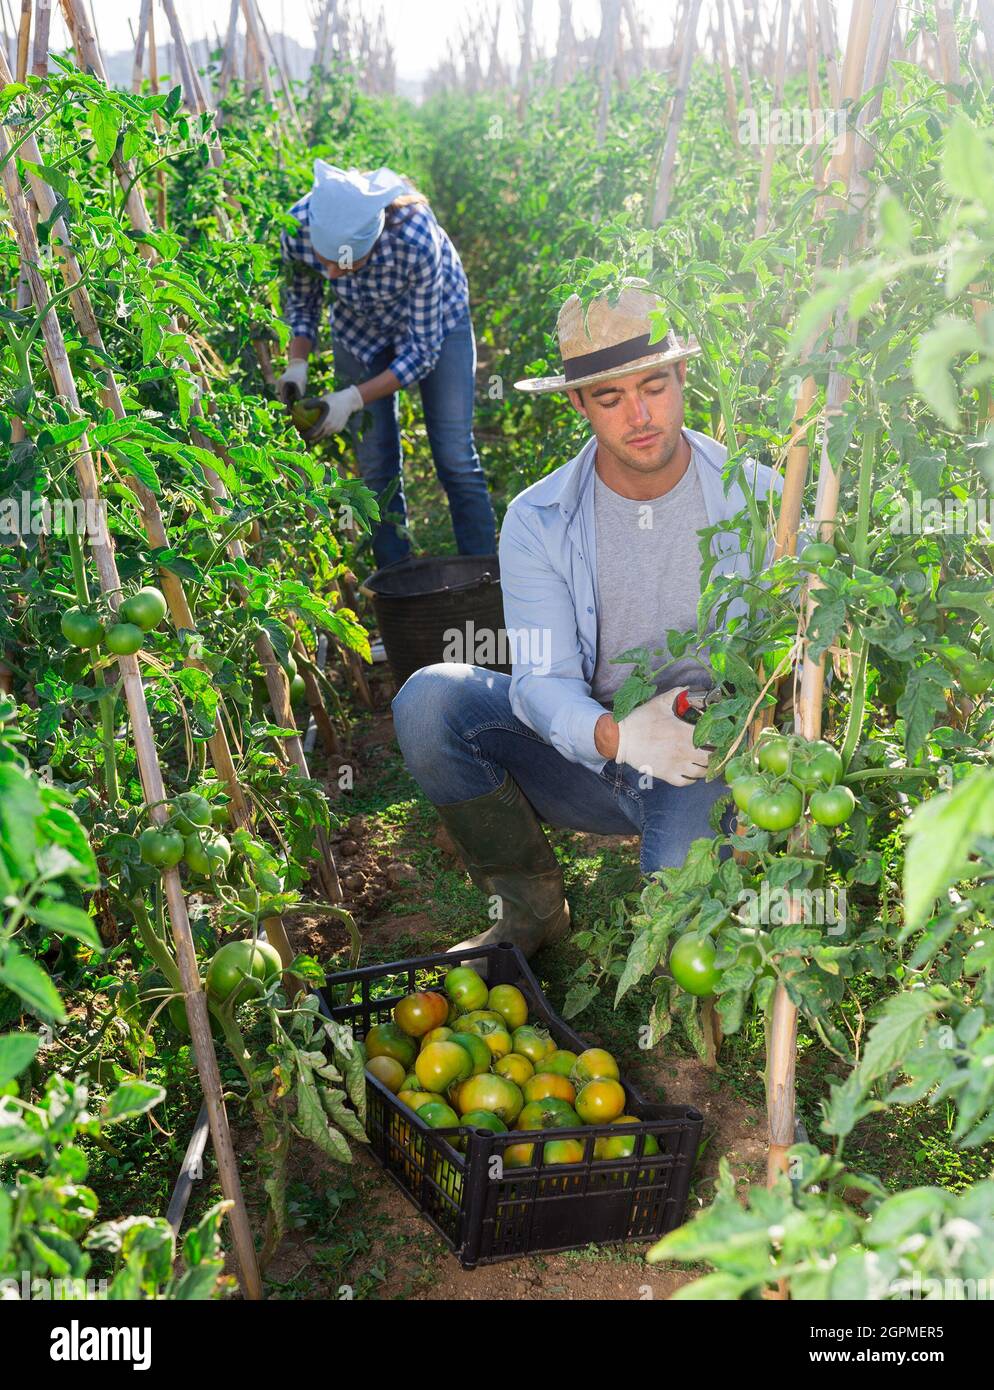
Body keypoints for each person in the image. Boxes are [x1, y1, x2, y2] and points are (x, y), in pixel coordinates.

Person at [392, 280, 781, 960]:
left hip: (706, 755)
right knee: (431, 701)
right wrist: (617, 735)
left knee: (681, 934)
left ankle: (697, 855)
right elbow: (540, 680)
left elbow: (796, 654)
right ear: (577, 403)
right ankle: (529, 914)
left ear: (682, 375)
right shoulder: (541, 519)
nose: (639, 414)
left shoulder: (759, 500)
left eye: (654, 386)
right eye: (610, 397)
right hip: (591, 758)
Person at [277, 161, 497, 569]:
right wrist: (297, 364)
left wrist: (351, 399)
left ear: (372, 242)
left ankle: (483, 576)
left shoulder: (414, 237)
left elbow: (422, 353)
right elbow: (303, 302)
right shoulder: (298, 228)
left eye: (341, 265)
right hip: (358, 330)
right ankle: (400, 577)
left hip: (437, 325)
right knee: (375, 466)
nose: (329, 272)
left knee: (454, 456)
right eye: (323, 260)